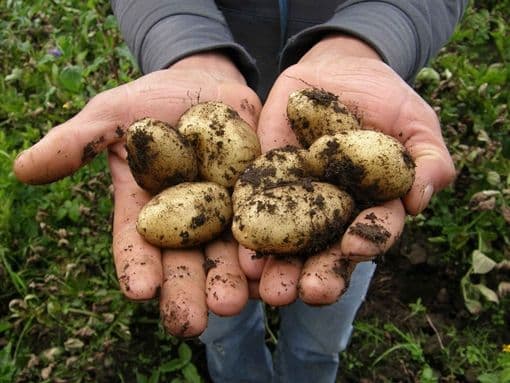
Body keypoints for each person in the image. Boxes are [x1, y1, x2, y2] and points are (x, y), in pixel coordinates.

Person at [14, 1, 467, 381]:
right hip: (213, 87)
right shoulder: (222, 169)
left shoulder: (324, 161)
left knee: (325, 313)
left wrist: (369, 38)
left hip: (351, 153)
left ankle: (309, 366)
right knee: (221, 320)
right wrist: (187, 49)